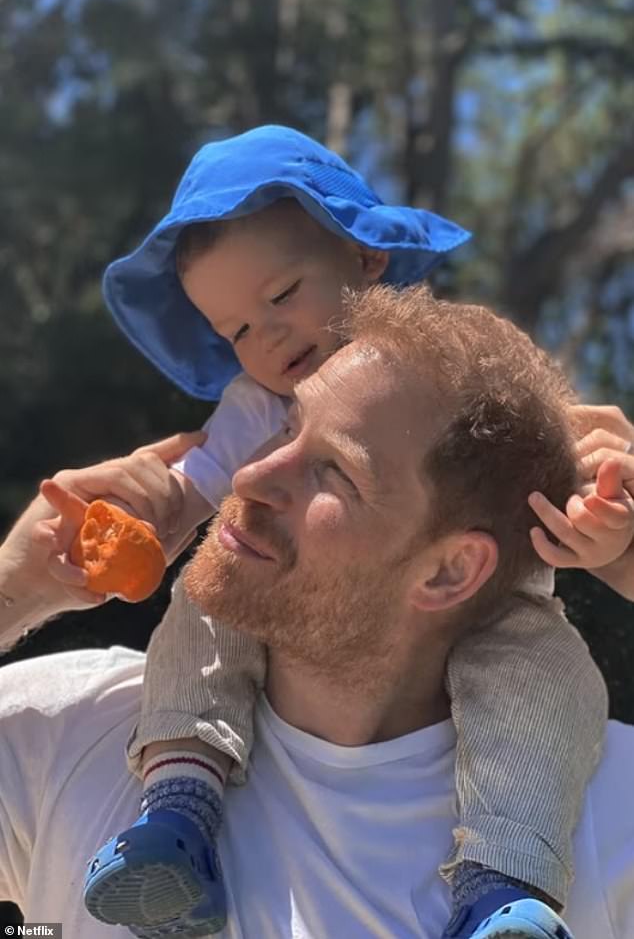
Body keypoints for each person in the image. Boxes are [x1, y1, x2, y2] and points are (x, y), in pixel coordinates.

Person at [30, 125, 630, 939]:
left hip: (501, 612)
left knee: (550, 672)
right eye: (235, 330)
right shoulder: (250, 410)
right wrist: (120, 527)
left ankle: (505, 886)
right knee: (206, 597)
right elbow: (193, 490)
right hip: (274, 621)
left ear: (368, 259)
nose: (266, 339)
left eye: (280, 298)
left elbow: (551, 463)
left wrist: (609, 534)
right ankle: (177, 808)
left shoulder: (453, 369)